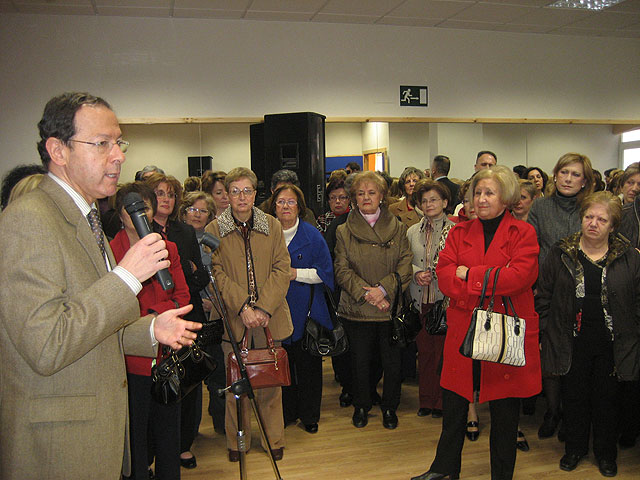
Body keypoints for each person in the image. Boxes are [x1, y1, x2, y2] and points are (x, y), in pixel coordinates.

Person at [0, 92, 199, 479]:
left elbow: (92, 325)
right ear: (58, 150)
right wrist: (126, 277)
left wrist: (152, 330)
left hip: (95, 432)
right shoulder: (29, 219)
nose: (119, 155)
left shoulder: (86, 215)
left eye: (119, 142)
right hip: (58, 446)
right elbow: (47, 344)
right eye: (102, 143)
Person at [412, 165, 541, 480]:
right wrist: (488, 280)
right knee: (454, 405)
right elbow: (445, 277)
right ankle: (444, 470)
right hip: (463, 327)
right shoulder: (458, 231)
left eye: (489, 193)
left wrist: (469, 274)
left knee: (504, 412)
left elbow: (520, 277)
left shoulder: (522, 233)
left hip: (504, 329)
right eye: (477, 193)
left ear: (506, 197)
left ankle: (502, 474)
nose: (481, 199)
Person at [536, 191, 640, 478]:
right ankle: (575, 449)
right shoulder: (561, 253)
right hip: (571, 341)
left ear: (613, 226)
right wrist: (547, 330)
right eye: (588, 217)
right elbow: (544, 295)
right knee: (575, 399)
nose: (593, 223)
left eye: (601, 219)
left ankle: (606, 455)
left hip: (614, 344)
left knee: (608, 402)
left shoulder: (630, 257)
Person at [204, 167, 293, 462]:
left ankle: (273, 440)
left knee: (270, 383)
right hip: (234, 319)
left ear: (255, 194)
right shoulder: (214, 230)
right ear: (226, 195)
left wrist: (263, 307)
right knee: (235, 387)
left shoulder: (272, 225)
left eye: (247, 191)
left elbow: (282, 269)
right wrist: (242, 306)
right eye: (235, 191)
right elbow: (214, 274)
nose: (241, 197)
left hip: (270, 317)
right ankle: (237, 443)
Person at [111, 182, 190, 480]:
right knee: (136, 435)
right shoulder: (110, 251)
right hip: (130, 359)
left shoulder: (167, 247)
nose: (140, 214)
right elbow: (113, 307)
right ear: (120, 215)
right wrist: (150, 322)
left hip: (167, 355)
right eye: (132, 209)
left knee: (169, 431)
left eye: (145, 207)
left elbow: (182, 295)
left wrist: (161, 317)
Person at [334, 171, 413, 430]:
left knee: (391, 364)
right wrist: (368, 293)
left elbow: (405, 264)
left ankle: (390, 407)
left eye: (371, 192)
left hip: (389, 308)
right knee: (360, 363)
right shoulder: (343, 230)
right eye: (360, 193)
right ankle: (361, 406)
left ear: (382, 196)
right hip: (357, 308)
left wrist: (383, 290)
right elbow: (342, 270)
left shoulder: (399, 227)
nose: (366, 197)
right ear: (354, 198)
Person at [144, 172, 210, 469]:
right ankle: (152, 451)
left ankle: (183, 445)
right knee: (155, 386)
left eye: (170, 194)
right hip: (152, 319)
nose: (166, 199)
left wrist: (192, 279)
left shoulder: (183, 231)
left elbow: (195, 276)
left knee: (188, 382)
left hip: (187, 311)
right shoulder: (139, 231)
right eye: (159, 194)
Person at [528, 152, 595, 440]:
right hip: (549, 293)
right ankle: (553, 411)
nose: (568, 179)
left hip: (585, 294)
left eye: (575, 174)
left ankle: (573, 415)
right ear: (555, 175)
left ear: (585, 181)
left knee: (579, 361)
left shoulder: (591, 208)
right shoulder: (540, 207)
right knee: (552, 357)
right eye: (564, 172)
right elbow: (530, 248)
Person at [269, 183, 334, 434]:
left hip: (307, 312)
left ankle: (309, 416)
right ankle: (286, 413)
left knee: (308, 367)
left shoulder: (312, 235)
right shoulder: (266, 234)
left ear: (300, 207)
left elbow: (325, 274)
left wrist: (295, 274)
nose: (286, 206)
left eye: (291, 202)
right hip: (274, 311)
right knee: (281, 365)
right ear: (273, 206)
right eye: (281, 202)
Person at [407, 180, 454, 419]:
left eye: (434, 199)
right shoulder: (412, 231)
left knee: (443, 355)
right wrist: (417, 272)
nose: (428, 204)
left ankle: (442, 403)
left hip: (445, 301)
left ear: (445, 202)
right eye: (424, 201)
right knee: (424, 353)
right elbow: (404, 261)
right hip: (419, 300)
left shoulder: (455, 231)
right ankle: (426, 400)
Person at [181, 191, 227, 436]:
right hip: (189, 312)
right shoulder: (177, 237)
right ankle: (191, 429)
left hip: (214, 313)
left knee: (217, 371)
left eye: (202, 211)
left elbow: (219, 274)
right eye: (192, 209)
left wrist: (215, 303)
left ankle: (220, 421)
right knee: (193, 374)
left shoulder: (212, 239)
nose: (197, 215)